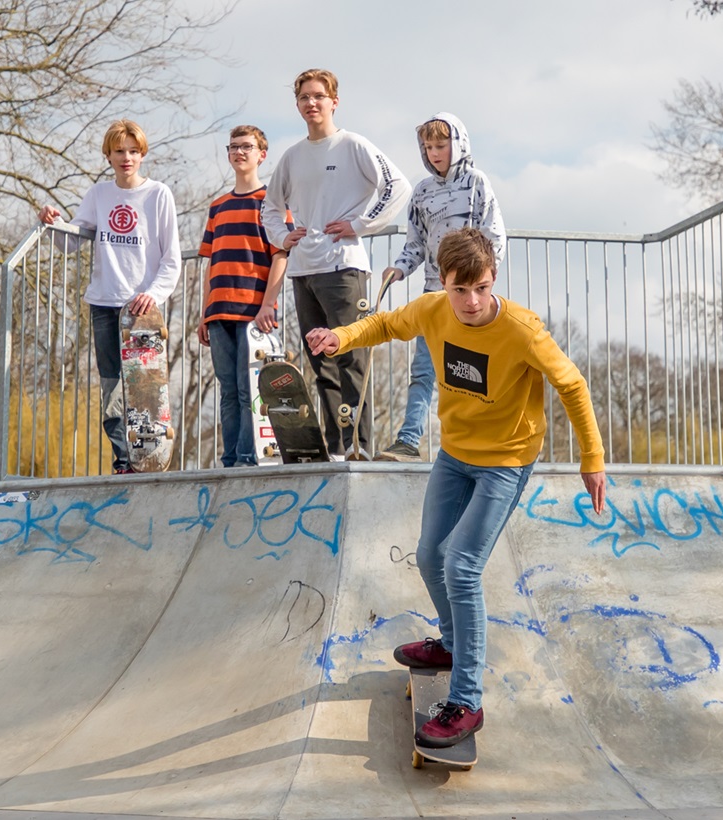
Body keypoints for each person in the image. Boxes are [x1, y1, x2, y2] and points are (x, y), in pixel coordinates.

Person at [307, 227, 606, 747]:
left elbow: (572, 386)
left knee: (461, 566)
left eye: (482, 289)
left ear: (494, 280)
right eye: (459, 290)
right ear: (443, 283)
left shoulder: (522, 330)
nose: (471, 302)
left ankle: (467, 699)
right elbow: (384, 323)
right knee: (429, 555)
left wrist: (592, 459)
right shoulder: (431, 309)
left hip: (506, 463)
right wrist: (342, 337)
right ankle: (450, 643)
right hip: (455, 455)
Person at [261, 68, 411, 459]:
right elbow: (270, 207)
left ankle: (358, 446)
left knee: (351, 358)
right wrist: (282, 236)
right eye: (304, 98)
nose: (312, 103)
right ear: (297, 105)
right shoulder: (292, 157)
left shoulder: (352, 145)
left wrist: (360, 224)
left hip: (344, 267)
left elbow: (397, 186)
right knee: (320, 362)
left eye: (318, 96)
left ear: (333, 101)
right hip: (303, 270)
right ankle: (335, 450)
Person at [38, 119, 182, 474]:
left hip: (141, 308)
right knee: (111, 385)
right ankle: (123, 461)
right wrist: (51, 221)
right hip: (104, 303)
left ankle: (149, 456)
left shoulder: (158, 194)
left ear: (142, 154)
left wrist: (153, 293)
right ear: (108, 155)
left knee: (145, 386)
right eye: (119, 151)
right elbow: (71, 242)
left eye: (133, 151)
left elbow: (171, 259)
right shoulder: (99, 195)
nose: (126, 158)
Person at [376, 112, 506, 463]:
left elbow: (494, 234)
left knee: (471, 371)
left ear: (458, 143)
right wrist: (399, 269)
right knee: (424, 370)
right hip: (436, 295)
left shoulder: (476, 182)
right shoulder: (422, 192)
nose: (435, 152)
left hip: (470, 297)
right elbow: (415, 244)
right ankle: (408, 439)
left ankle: (478, 441)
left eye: (441, 144)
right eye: (428, 146)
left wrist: (481, 283)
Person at [197, 125, 288, 467]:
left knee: (250, 388)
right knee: (228, 391)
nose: (239, 152)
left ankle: (250, 458)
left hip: (253, 311)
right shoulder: (217, 206)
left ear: (261, 154)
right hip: (219, 310)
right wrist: (205, 313)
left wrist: (268, 304)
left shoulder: (272, 202)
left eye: (247, 146)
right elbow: (212, 261)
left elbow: (281, 254)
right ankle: (231, 458)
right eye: (233, 146)